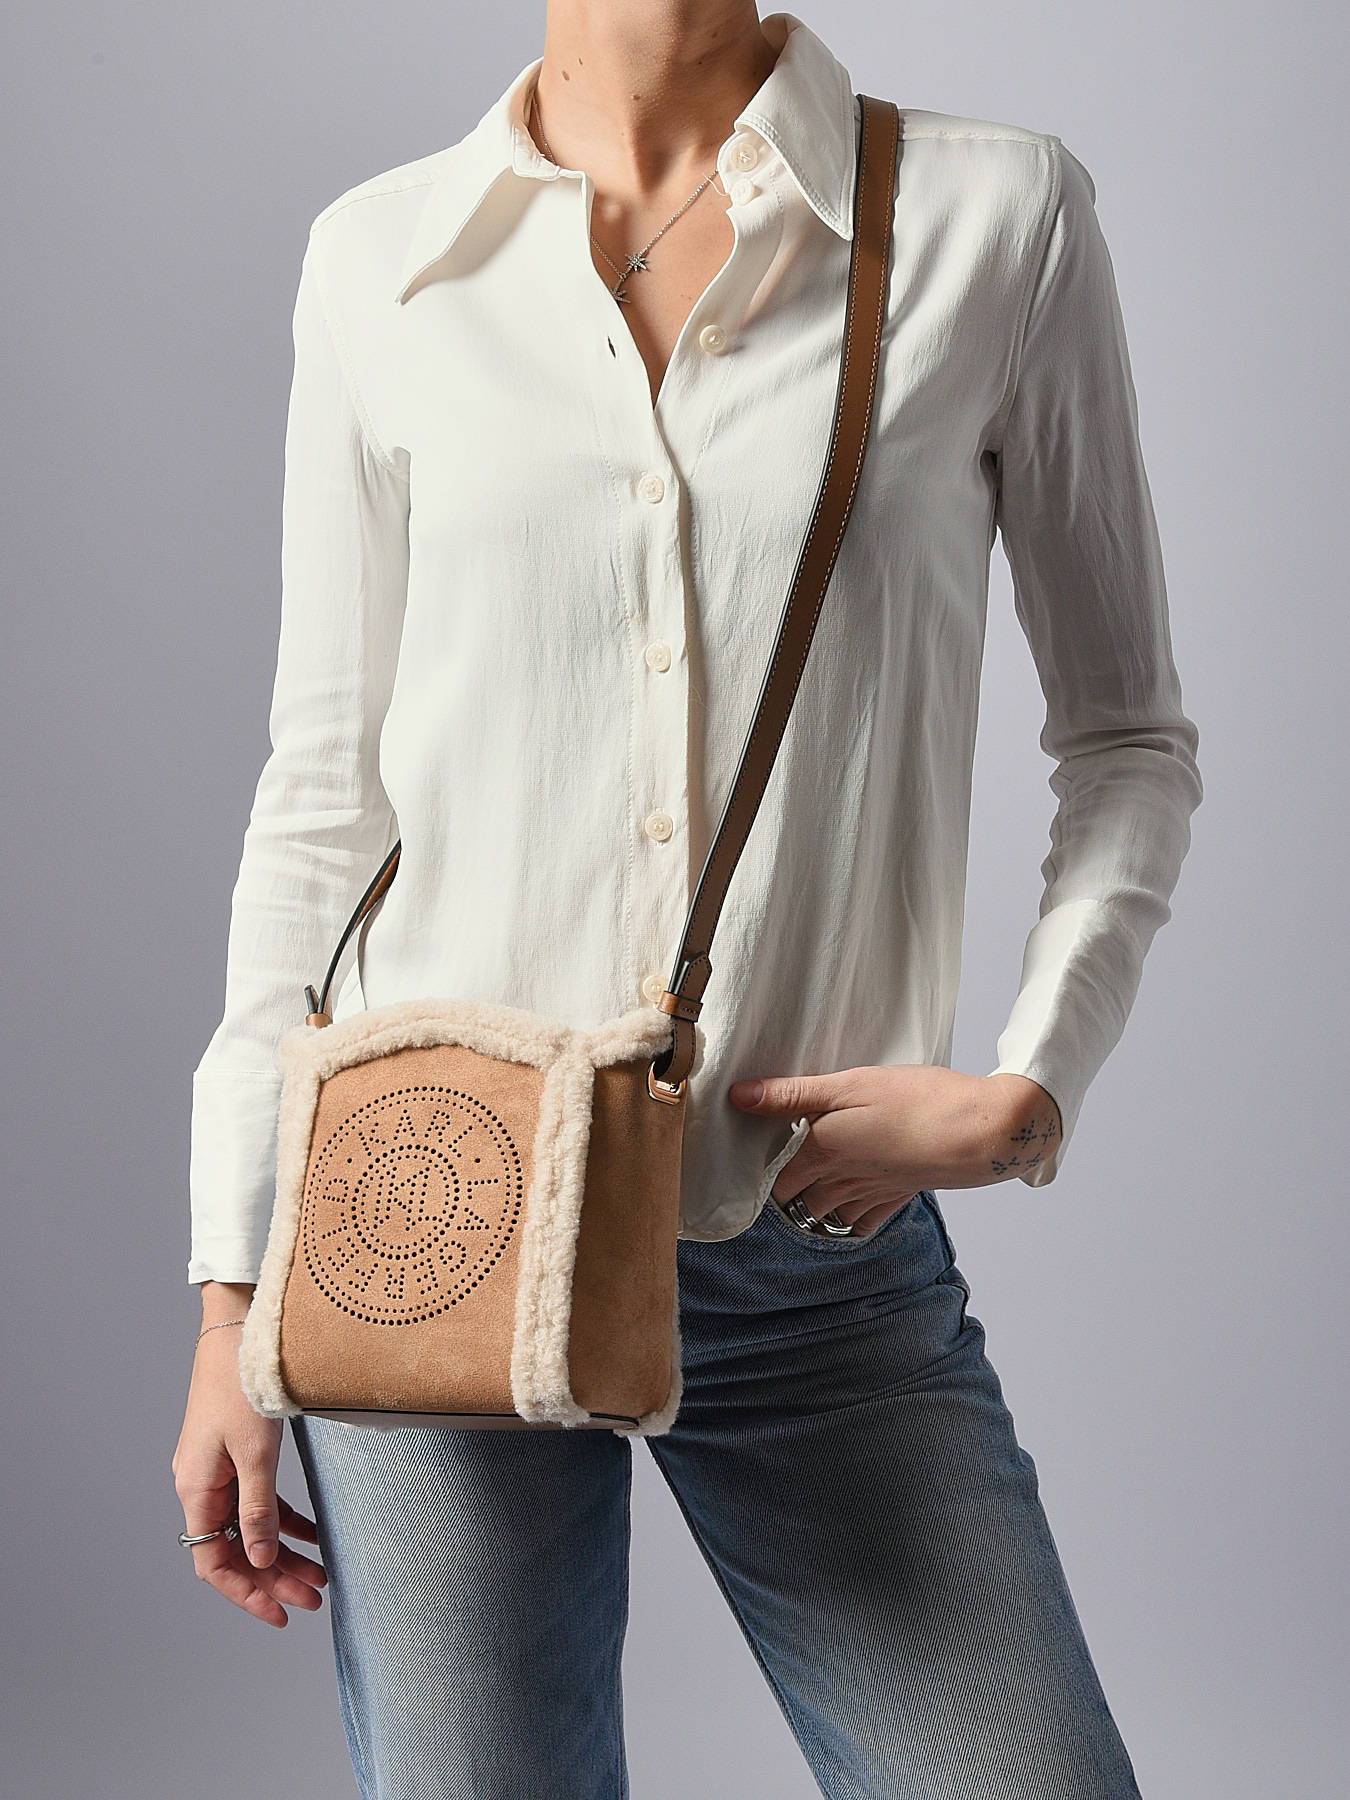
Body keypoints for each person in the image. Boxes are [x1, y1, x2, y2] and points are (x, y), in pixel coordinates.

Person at [172, 6, 1202, 1795]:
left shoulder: (993, 218)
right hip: (429, 1206)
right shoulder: (381, 257)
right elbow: (323, 800)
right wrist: (231, 1293)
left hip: (805, 1231)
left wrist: (1029, 1087)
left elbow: (1125, 740)